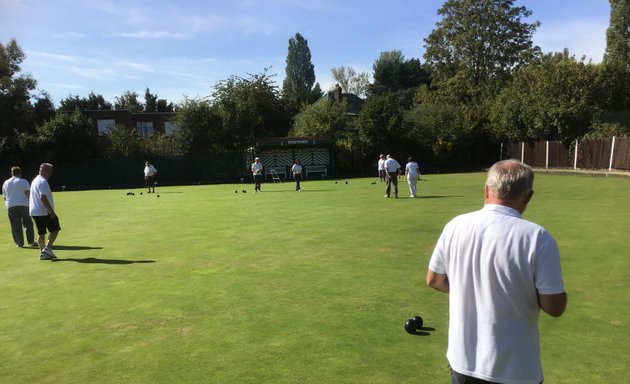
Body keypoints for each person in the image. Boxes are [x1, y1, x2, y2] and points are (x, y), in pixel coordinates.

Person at [426, 159, 567, 384]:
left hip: (462, 363)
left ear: (486, 189)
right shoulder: (538, 238)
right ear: (528, 196)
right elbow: (554, 307)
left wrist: (471, 291)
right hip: (515, 371)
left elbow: (434, 279)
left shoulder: (455, 225)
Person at [29, 163, 61, 261]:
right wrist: (51, 211)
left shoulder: (35, 180)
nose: (50, 173)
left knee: (41, 233)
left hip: (35, 211)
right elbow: (42, 197)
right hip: (43, 211)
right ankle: (47, 249)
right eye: (49, 171)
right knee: (55, 229)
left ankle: (43, 253)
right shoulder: (43, 182)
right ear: (44, 170)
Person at [2, 166, 36, 248]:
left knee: (15, 225)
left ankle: (19, 243)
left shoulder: (6, 182)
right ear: (20, 173)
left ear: (11, 173)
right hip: (24, 204)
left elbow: (4, 197)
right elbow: (28, 193)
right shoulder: (24, 181)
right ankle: (31, 241)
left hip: (11, 205)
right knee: (28, 222)